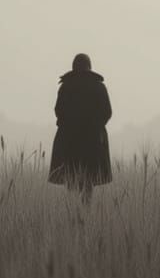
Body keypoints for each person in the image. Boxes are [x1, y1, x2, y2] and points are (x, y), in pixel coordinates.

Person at [48, 53, 112, 201]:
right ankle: (86, 215)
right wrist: (96, 127)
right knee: (88, 182)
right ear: (89, 67)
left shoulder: (65, 87)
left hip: (69, 143)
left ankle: (73, 214)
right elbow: (107, 112)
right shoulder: (98, 87)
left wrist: (68, 125)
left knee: (71, 180)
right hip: (92, 143)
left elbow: (58, 111)